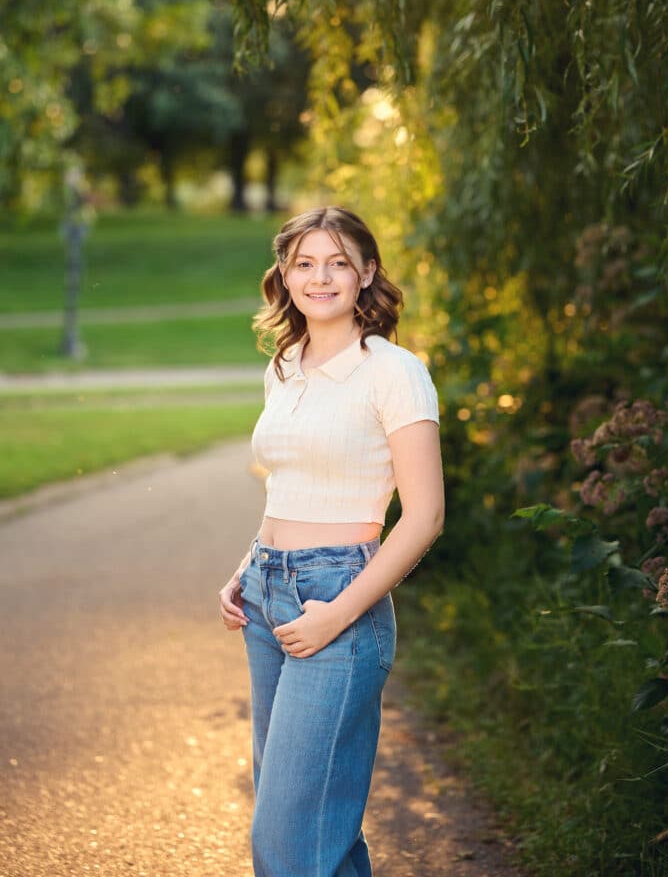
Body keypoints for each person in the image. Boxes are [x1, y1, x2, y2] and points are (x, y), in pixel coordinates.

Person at [219, 205, 444, 877]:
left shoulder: (393, 371)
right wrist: (244, 570)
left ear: (366, 272)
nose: (321, 277)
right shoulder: (285, 364)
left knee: (287, 838)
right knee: (318, 831)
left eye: (338, 261)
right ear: (284, 275)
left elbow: (425, 515)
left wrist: (337, 614)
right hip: (266, 593)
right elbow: (286, 487)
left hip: (337, 600)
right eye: (305, 263)